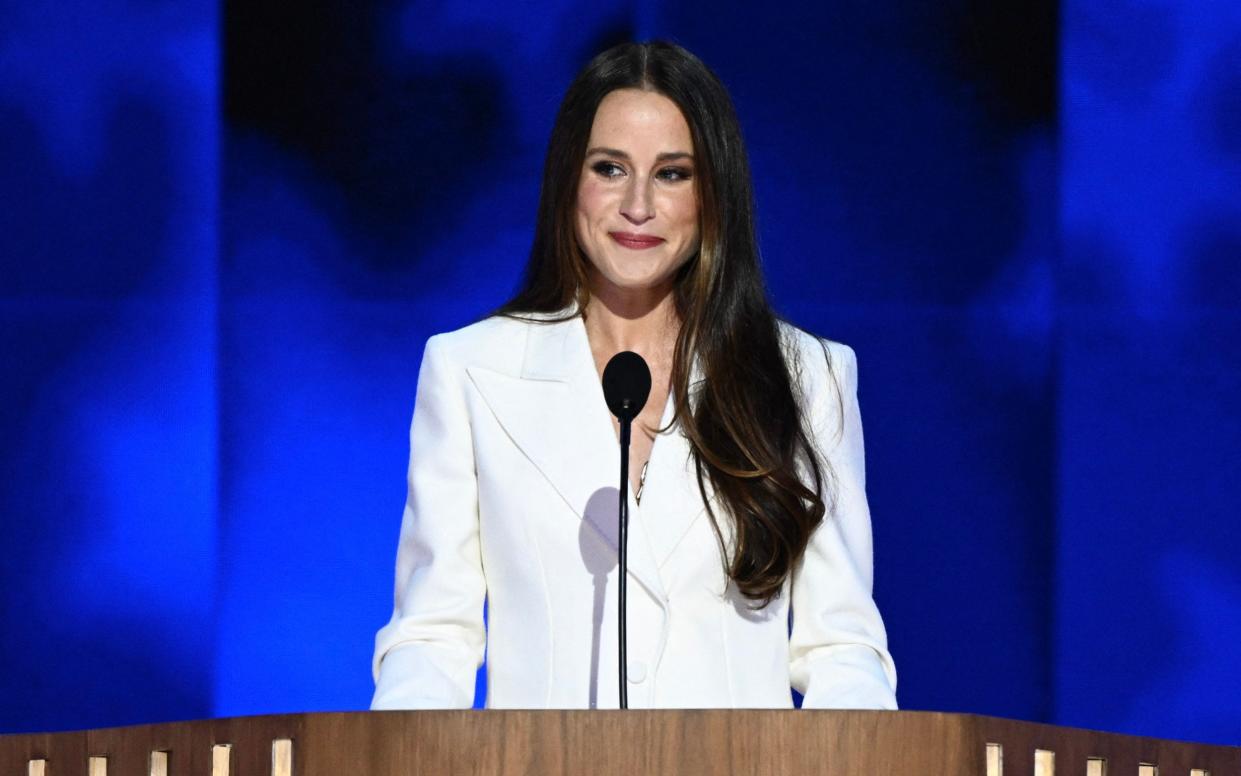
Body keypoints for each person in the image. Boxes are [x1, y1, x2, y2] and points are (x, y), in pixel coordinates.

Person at [371, 40, 897, 710]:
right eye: (610, 168)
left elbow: (840, 649)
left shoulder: (805, 378)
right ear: (569, 181)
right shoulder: (470, 370)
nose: (638, 205)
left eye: (672, 173)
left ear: (714, 194)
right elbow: (432, 637)